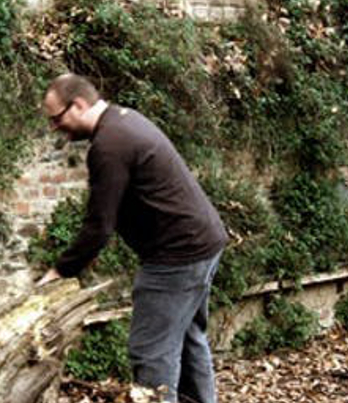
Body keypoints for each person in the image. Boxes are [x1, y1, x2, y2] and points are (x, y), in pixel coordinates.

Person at [37, 74, 228, 403]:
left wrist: (60, 271)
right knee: (187, 338)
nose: (55, 127)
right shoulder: (124, 121)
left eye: (57, 118)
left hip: (176, 258)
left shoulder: (109, 145)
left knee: (150, 354)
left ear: (79, 104)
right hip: (202, 243)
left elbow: (99, 225)